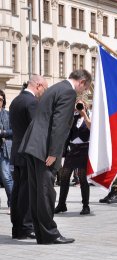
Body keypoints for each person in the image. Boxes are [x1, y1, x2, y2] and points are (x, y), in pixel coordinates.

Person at [19, 69, 92, 244]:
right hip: (44, 148)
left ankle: (41, 232)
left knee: (37, 192)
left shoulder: (56, 87)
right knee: (45, 192)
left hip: (33, 144)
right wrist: (54, 152)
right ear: (81, 82)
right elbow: (59, 124)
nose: (84, 92)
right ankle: (50, 233)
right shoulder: (68, 92)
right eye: (85, 88)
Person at [9, 75, 48, 239]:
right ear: (38, 85)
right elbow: (36, 130)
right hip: (29, 153)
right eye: (44, 89)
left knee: (17, 191)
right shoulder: (31, 102)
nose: (43, 93)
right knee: (27, 193)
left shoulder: (15, 101)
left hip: (17, 151)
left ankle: (17, 227)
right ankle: (26, 227)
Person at [55, 97, 91, 215]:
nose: (79, 107)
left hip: (84, 149)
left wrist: (83, 114)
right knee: (64, 176)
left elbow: (91, 127)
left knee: (82, 177)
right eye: (77, 105)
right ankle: (61, 204)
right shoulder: (73, 117)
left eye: (81, 105)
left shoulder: (90, 116)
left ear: (85, 106)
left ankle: (86, 205)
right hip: (73, 149)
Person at [0, 90, 13, 215]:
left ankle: (12, 203)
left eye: (0, 99)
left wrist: (2, 133)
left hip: (4, 150)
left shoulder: (8, 115)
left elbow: (14, 131)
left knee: (6, 177)